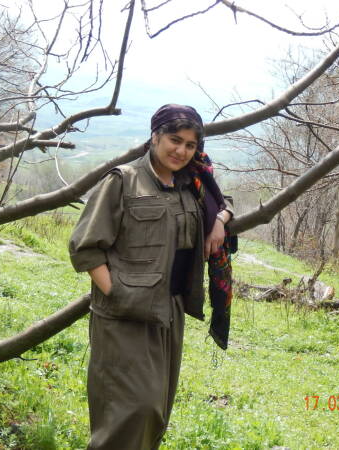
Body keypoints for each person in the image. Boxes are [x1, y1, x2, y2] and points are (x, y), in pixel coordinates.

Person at [68, 104, 235, 449]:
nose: (181, 151)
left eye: (190, 145)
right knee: (130, 410)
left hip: (169, 312)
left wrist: (220, 221)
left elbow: (223, 202)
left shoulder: (192, 184)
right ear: (155, 136)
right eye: (175, 140)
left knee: (156, 412)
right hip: (124, 316)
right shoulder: (123, 181)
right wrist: (117, 293)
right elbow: (85, 248)